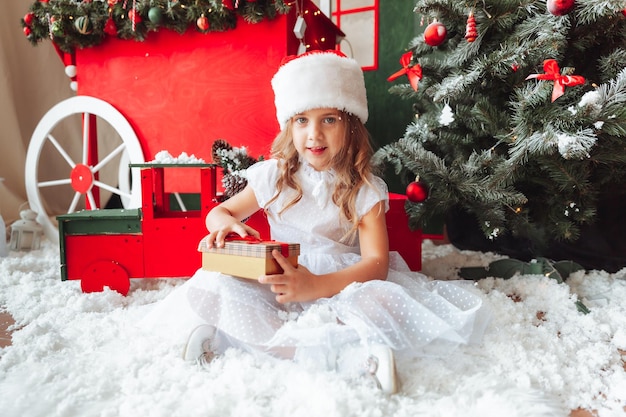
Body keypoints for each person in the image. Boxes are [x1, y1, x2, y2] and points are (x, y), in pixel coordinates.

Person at [140, 50, 490, 395]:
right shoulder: (274, 176)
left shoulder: (365, 189)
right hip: (278, 280)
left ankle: (338, 351)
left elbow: (377, 263)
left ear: (351, 124)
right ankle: (266, 343)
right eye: (302, 120)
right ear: (289, 125)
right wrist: (225, 224)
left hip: (340, 285)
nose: (314, 135)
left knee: (379, 301)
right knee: (219, 285)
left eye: (329, 119)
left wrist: (315, 286)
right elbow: (219, 213)